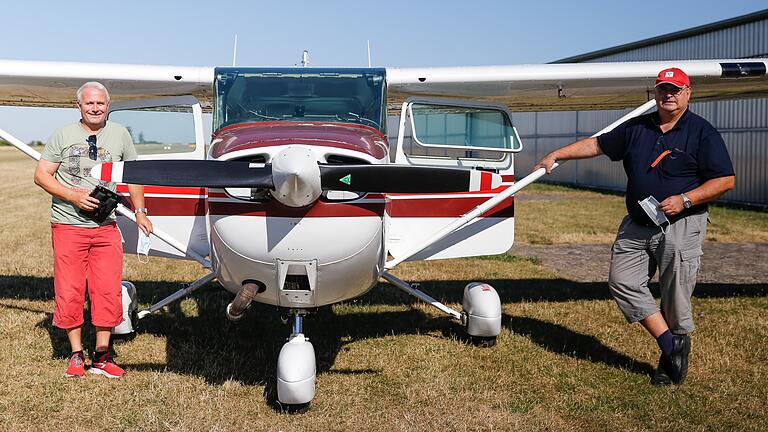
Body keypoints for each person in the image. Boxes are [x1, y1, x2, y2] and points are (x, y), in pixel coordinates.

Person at [534, 68, 735, 385]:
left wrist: (685, 199)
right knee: (622, 282)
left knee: (675, 297)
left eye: (675, 89)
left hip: (681, 222)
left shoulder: (702, 132)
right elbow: (598, 145)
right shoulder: (637, 128)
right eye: (663, 89)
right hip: (639, 222)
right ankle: (672, 344)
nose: (668, 94)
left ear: (688, 93)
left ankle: (668, 367)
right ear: (656, 93)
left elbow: (725, 180)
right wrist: (556, 154)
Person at [34, 82, 153, 379]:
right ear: (79, 106)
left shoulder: (120, 134)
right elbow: (41, 175)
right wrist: (72, 195)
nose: (95, 108)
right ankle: (76, 354)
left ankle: (101, 355)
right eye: (89, 103)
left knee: (107, 290)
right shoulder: (62, 135)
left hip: (106, 226)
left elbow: (134, 175)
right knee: (70, 289)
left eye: (100, 103)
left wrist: (140, 212)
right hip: (68, 226)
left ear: (108, 104)